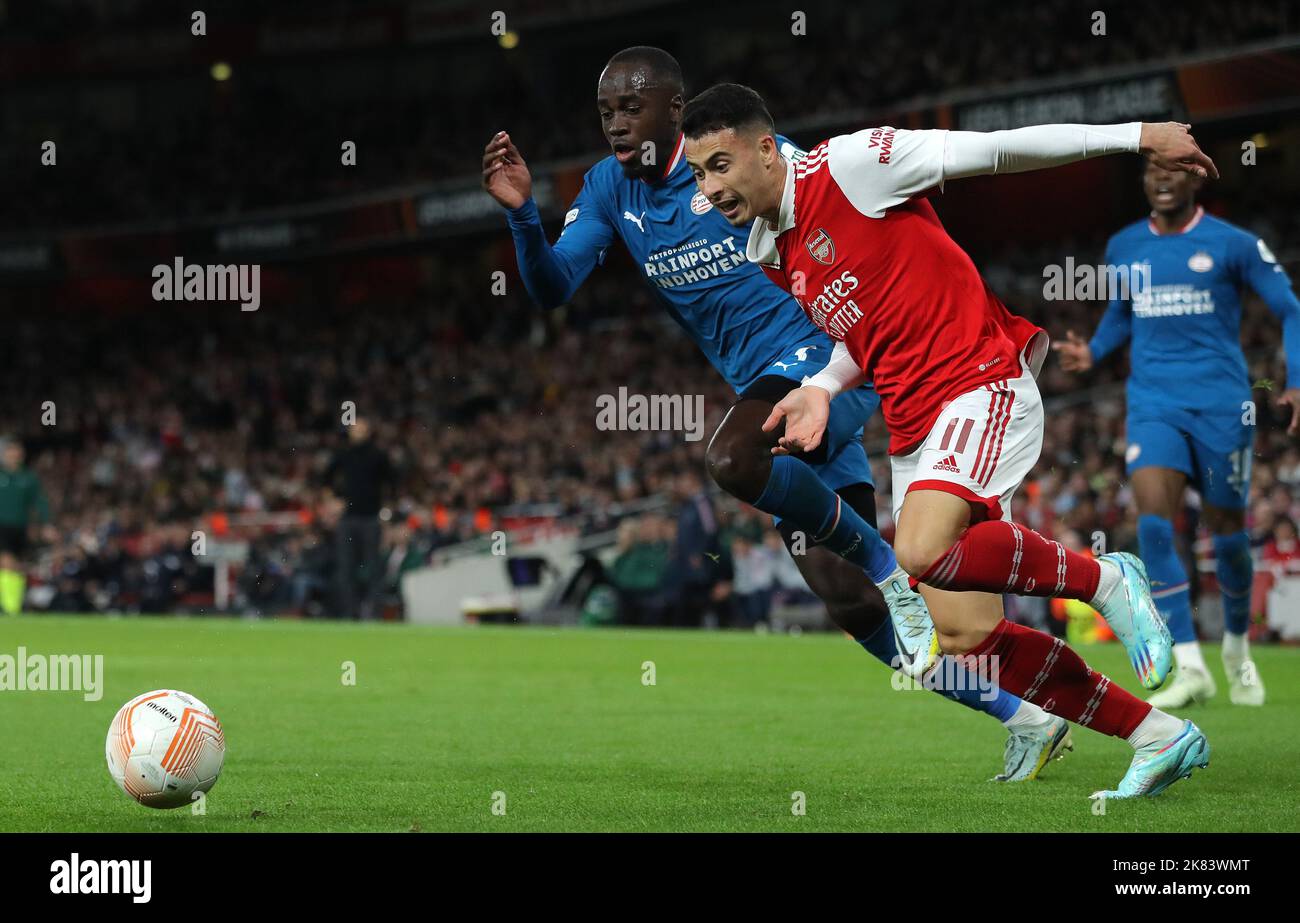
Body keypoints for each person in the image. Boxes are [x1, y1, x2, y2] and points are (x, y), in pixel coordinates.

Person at [483, 46, 1072, 783]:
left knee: (733, 460)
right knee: (847, 601)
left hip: (827, 360)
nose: (616, 125)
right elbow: (550, 286)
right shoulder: (608, 190)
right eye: (605, 111)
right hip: (768, 391)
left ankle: (895, 568)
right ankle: (1027, 718)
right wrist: (522, 220)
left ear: (675, 110)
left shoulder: (738, 163)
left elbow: (827, 198)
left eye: (631, 108)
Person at [681, 82, 1211, 798]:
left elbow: (995, 150)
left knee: (919, 549)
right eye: (697, 173)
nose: (709, 187)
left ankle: (1107, 579)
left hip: (979, 379)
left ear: (767, 150)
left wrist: (1136, 133)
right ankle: (1157, 733)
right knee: (965, 639)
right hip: (913, 424)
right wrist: (824, 387)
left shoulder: (855, 165)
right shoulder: (770, 248)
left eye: (719, 164)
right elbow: (860, 328)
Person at [1055, 160, 1300, 708]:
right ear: (1143, 183)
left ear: (1196, 180)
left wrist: (1297, 381)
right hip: (1153, 404)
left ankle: (1237, 647)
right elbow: (1123, 312)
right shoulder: (1124, 246)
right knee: (1154, 524)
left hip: (1221, 405)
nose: (1162, 178)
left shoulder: (1233, 244)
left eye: (1175, 170)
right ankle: (1189, 663)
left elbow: (1291, 309)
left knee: (1228, 534)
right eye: (1152, 170)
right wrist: (1093, 350)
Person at [324, 417, 395, 620]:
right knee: (346, 568)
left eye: (362, 429)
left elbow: (392, 484)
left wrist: (386, 512)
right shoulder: (344, 454)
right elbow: (325, 478)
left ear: (369, 431)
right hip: (347, 519)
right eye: (355, 429)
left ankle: (374, 614)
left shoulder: (378, 456)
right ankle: (349, 613)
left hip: (371, 518)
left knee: (374, 569)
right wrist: (332, 500)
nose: (359, 432)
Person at [0, 440, 52, 616]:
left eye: (17, 452)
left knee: (18, 566)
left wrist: (46, 523)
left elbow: (39, 501)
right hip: (1, 526)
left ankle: (13, 605)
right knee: (6, 561)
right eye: (10, 452)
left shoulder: (28, 478)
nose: (14, 456)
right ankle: (9, 607)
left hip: (21, 527)